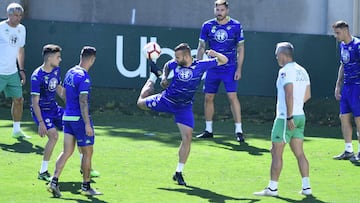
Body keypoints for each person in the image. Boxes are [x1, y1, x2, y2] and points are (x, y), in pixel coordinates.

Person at [137, 43, 228, 186]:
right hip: (166, 100)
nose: (176, 59)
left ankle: (178, 172)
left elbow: (225, 60)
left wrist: (215, 54)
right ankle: (152, 78)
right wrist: (163, 78)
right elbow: (167, 65)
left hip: (184, 107)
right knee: (140, 104)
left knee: (187, 137)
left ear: (186, 56)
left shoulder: (201, 65)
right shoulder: (175, 63)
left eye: (178, 57)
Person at [254, 42, 312, 196]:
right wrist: (296, 108)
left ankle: (272, 188)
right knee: (299, 153)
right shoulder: (302, 70)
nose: (276, 58)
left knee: (276, 153)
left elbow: (288, 92)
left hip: (286, 118)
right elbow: (307, 95)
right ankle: (307, 187)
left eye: (276, 55)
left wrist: (289, 116)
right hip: (300, 116)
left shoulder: (285, 71)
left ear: (282, 55)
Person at [48, 46, 101, 197]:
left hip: (67, 117)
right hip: (79, 119)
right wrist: (86, 124)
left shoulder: (70, 72)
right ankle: (86, 187)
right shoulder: (84, 77)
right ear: (92, 59)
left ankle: (54, 180)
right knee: (87, 154)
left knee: (66, 151)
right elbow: (83, 101)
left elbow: (64, 94)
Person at [196, 0, 245, 142]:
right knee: (208, 97)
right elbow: (201, 47)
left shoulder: (236, 25)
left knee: (232, 97)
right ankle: (208, 130)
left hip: (229, 68)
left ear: (227, 11)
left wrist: (239, 69)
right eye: (217, 9)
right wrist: (198, 65)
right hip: (212, 67)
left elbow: (241, 49)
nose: (219, 12)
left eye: (222, 10)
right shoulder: (207, 25)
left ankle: (239, 131)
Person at [31, 44, 65, 182]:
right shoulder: (36, 76)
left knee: (75, 128)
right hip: (42, 112)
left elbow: (59, 89)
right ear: (50, 58)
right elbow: (34, 102)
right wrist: (40, 123)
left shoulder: (56, 70)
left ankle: (86, 166)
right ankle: (43, 171)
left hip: (54, 108)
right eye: (58, 57)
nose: (60, 59)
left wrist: (71, 104)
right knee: (54, 136)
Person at [0, 3, 30, 139]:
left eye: (20, 15)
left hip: (12, 73)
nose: (18, 18)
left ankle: (16, 130)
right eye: (15, 15)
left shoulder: (22, 29)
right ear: (9, 15)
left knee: (18, 100)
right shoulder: (1, 28)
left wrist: (21, 69)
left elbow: (20, 50)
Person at [332, 20, 360, 163]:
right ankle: (348, 150)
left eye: (337, 33)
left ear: (345, 30)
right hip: (347, 87)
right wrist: (338, 85)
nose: (336, 36)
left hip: (357, 87)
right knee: (344, 117)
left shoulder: (358, 45)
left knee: (359, 119)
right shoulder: (343, 45)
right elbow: (343, 65)